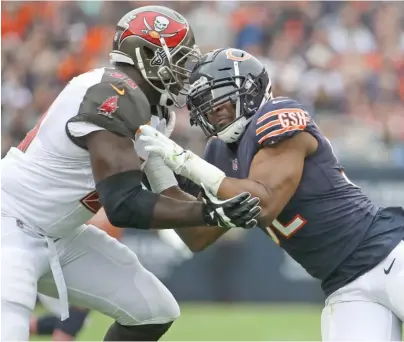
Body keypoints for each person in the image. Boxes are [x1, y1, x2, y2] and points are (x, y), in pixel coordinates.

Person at [1, 6, 262, 339]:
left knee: (153, 311)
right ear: (150, 56)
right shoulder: (112, 92)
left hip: (59, 235)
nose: (186, 72)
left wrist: (226, 205)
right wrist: (209, 212)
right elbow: (123, 204)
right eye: (180, 60)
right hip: (10, 224)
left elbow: (169, 194)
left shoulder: (155, 114)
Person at [136, 48, 404, 341]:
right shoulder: (217, 152)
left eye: (222, 98)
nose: (214, 110)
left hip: (387, 255)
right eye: (206, 103)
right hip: (344, 284)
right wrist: (158, 170)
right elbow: (197, 237)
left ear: (251, 91)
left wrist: (181, 159)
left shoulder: (277, 115)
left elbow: (263, 204)